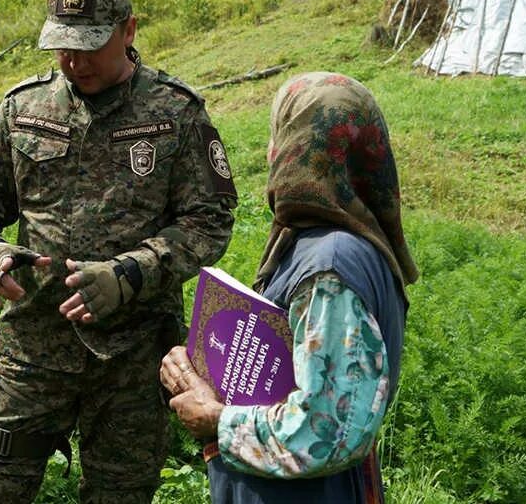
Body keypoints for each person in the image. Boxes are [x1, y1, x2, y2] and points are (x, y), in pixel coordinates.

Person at [0, 0, 237, 504]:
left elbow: (210, 220)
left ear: (129, 30)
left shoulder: (176, 114)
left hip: (135, 359)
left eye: (89, 45)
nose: (74, 61)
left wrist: (133, 272)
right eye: (62, 46)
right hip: (33, 350)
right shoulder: (23, 109)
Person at [160, 72, 419, 503]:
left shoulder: (329, 268)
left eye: (278, 135)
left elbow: (328, 431)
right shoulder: (331, 245)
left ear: (297, 150)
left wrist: (215, 417)